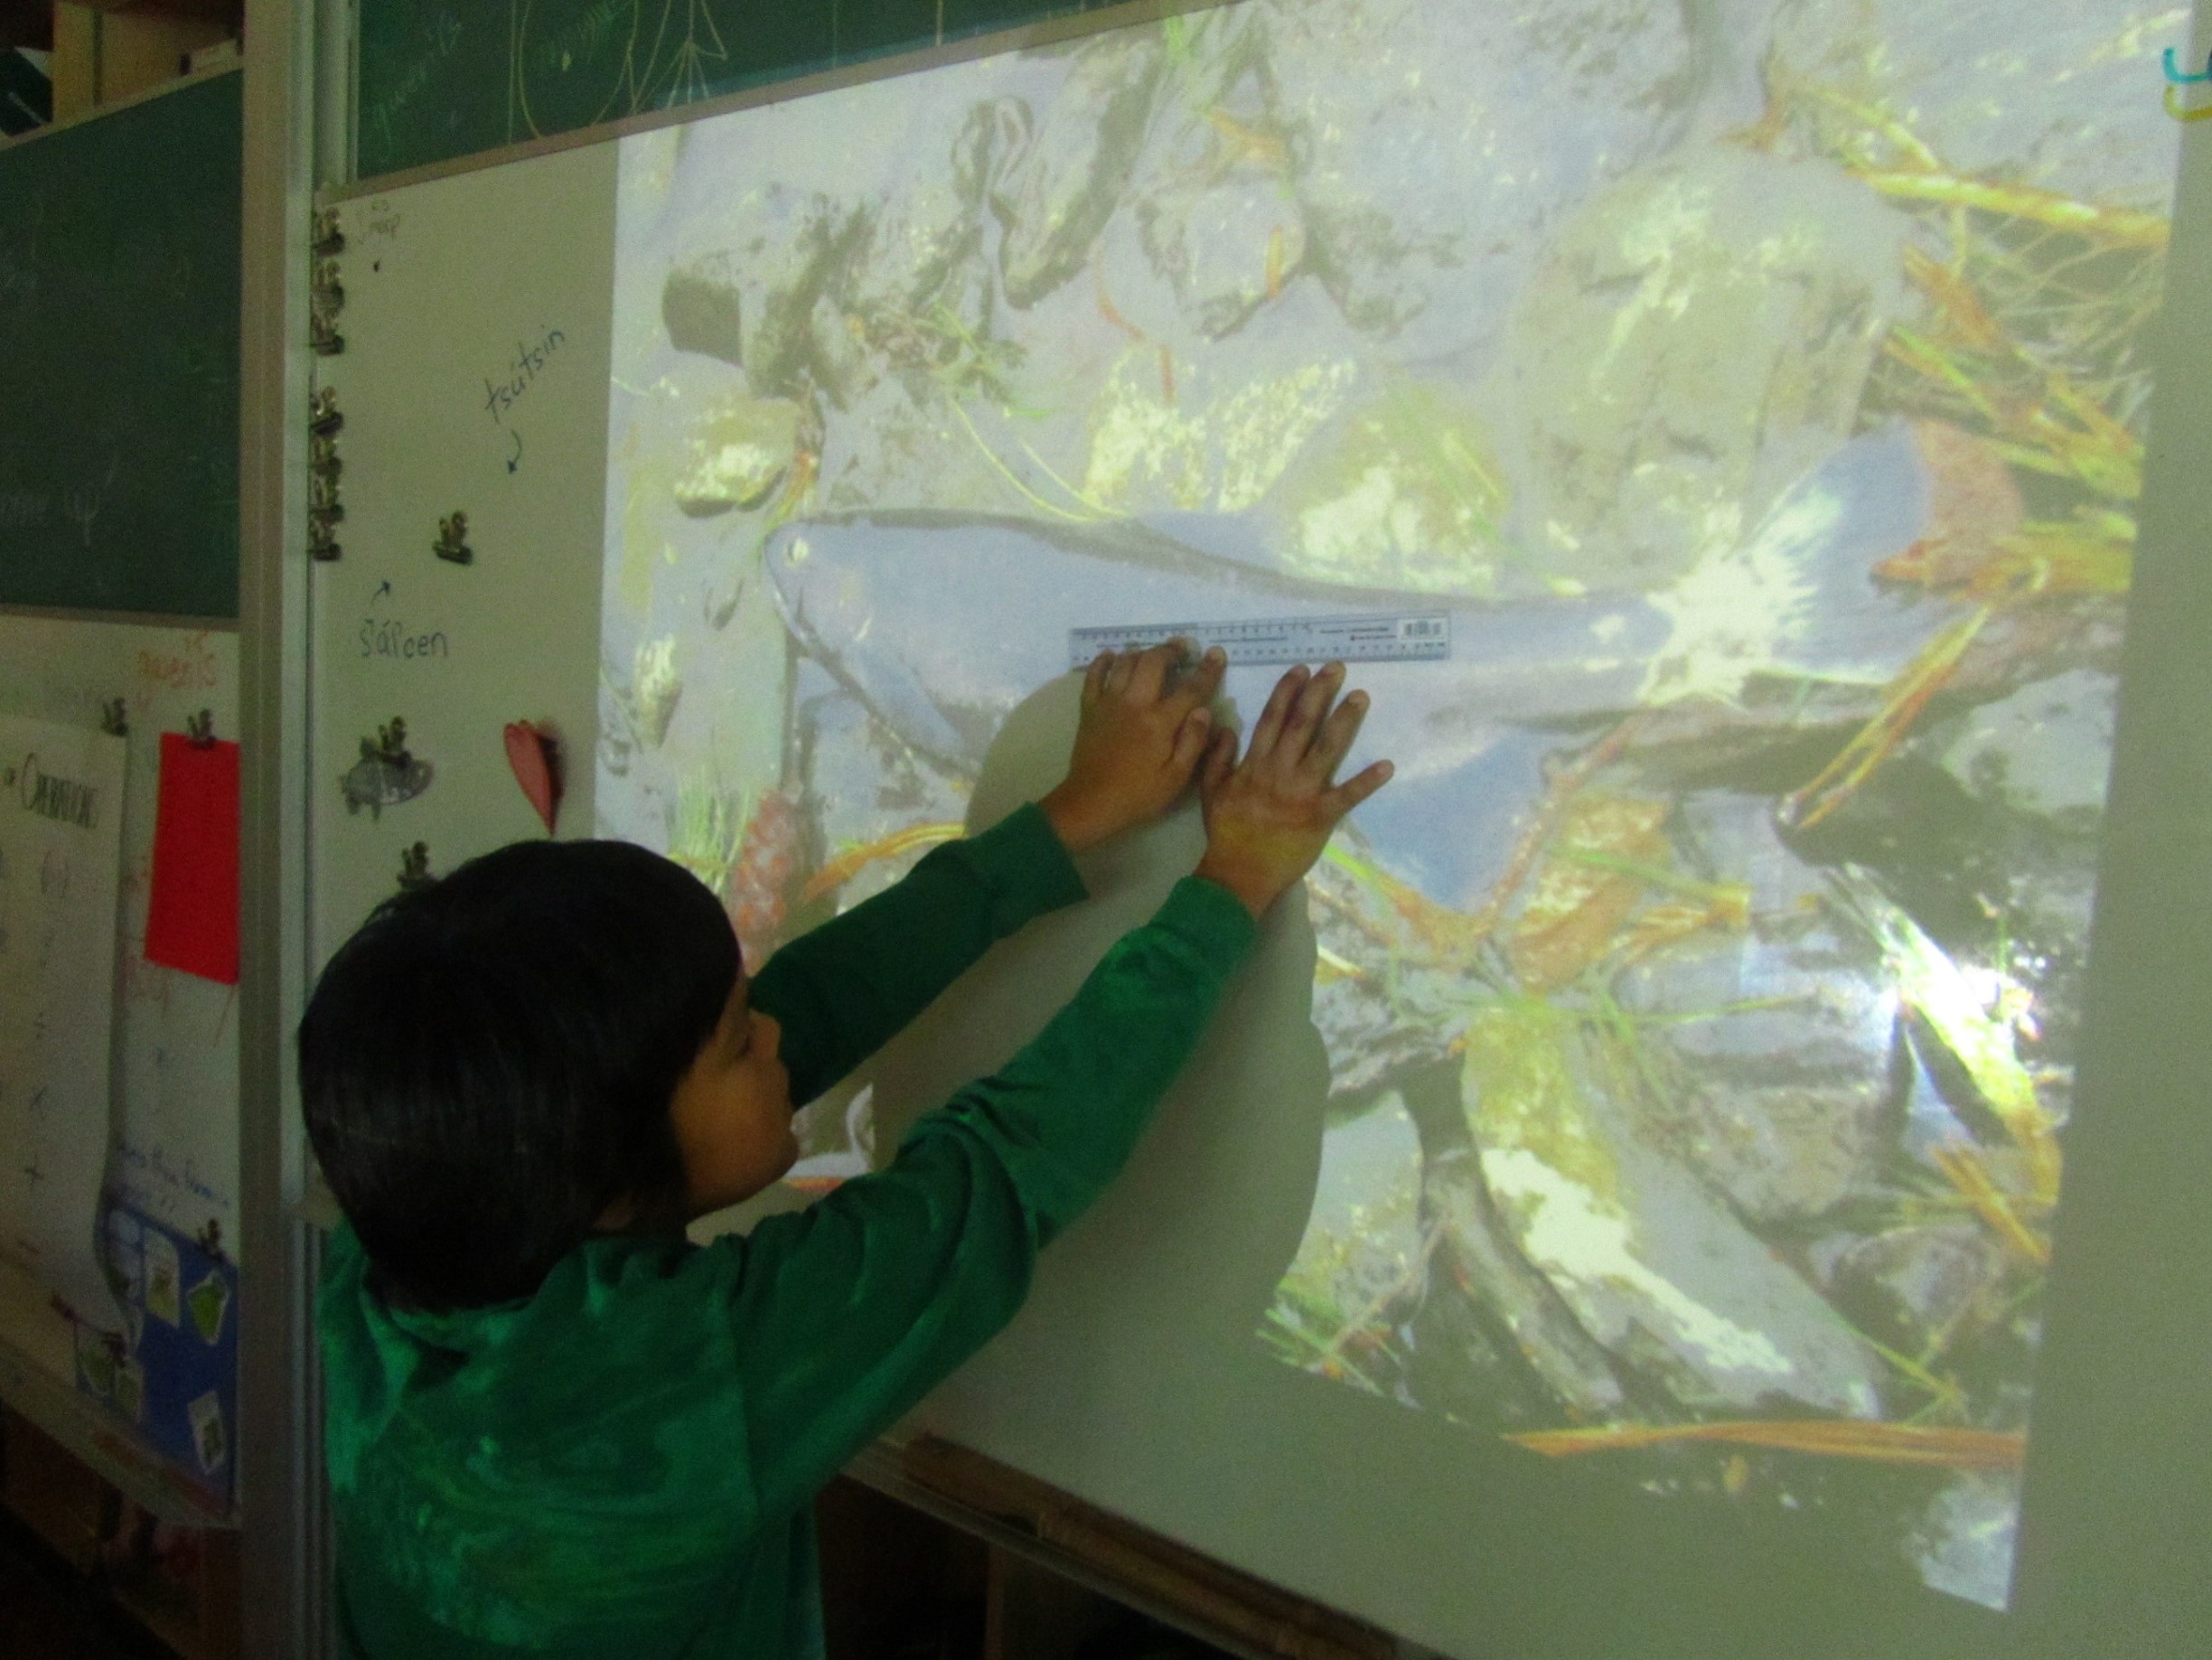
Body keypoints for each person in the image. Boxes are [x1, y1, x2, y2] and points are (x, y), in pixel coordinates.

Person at [300, 643, 1393, 1658]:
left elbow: (812, 1004)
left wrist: (1064, 820)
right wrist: (1231, 884)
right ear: (608, 1177)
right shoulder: (672, 1393)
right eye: (741, 1042)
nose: (777, 1035)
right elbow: (998, 1173)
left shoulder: (405, 1247)